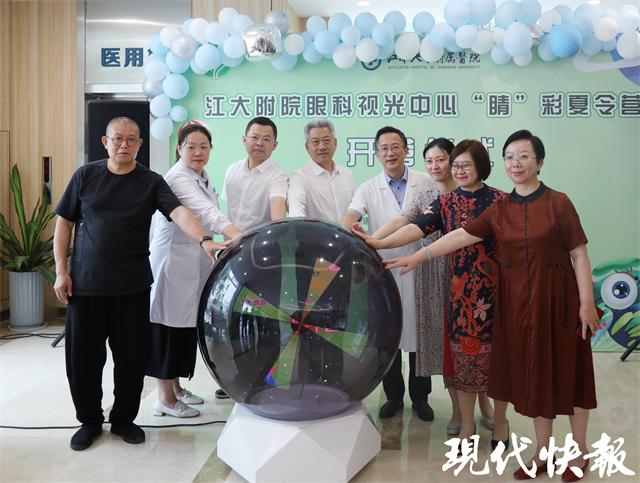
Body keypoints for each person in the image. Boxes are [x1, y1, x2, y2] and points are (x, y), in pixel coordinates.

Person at [383, 130, 599, 482]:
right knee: (536, 376)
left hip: (561, 302)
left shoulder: (559, 202)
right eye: (510, 157)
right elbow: (460, 236)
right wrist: (418, 257)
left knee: (570, 374)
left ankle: (579, 451)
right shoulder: (501, 208)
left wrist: (586, 304)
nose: (516, 163)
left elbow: (579, 253)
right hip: (519, 306)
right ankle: (543, 453)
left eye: (524, 156)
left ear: (540, 162)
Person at [53, 117, 228, 451]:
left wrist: (205, 239)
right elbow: (64, 223)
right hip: (86, 287)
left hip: (132, 288)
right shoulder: (85, 176)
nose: (124, 144)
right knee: (83, 360)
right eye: (118, 138)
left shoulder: (150, 182)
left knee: (131, 360)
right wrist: (62, 270)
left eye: (131, 139)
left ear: (140, 144)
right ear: (105, 142)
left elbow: (179, 212)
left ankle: (123, 419)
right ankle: (89, 421)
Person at [353, 140, 508, 441]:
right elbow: (416, 226)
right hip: (461, 293)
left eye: (465, 165)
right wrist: (378, 242)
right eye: (456, 165)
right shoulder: (445, 202)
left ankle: (498, 419)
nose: (458, 170)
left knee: (498, 358)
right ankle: (465, 423)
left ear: (481, 166)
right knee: (462, 356)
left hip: (496, 290)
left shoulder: (499, 200)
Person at [148, 121, 242, 418]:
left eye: (204, 147)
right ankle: (164, 398)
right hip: (172, 264)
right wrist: (238, 236)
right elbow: (206, 212)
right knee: (166, 329)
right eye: (191, 147)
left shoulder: (202, 176)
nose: (198, 152)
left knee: (183, 329)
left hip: (193, 263)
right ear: (179, 149)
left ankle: (176, 389)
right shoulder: (178, 178)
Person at [341, 126, 435, 421]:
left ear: (406, 150)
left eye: (396, 147)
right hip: (385, 269)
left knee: (420, 335)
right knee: (389, 334)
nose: (390, 153)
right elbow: (352, 213)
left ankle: (421, 397)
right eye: (384, 148)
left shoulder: (425, 181)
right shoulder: (369, 187)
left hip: (420, 265)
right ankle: (393, 396)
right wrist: (348, 227)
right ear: (376, 154)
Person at [218, 116, 288, 399]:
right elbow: (229, 211)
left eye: (266, 139)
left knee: (267, 321)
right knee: (234, 318)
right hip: (234, 254)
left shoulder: (277, 175)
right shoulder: (232, 170)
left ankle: (266, 380)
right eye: (255, 137)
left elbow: (277, 209)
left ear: (275, 145)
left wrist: (277, 227)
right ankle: (238, 378)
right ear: (244, 139)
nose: (259, 143)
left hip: (265, 258)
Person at [288, 118, 354, 221]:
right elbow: (296, 214)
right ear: (307, 147)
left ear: (335, 143)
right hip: (314, 232)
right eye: (315, 142)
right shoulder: (299, 177)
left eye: (326, 141)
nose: (322, 147)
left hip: (345, 232)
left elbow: (354, 213)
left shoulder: (347, 175)